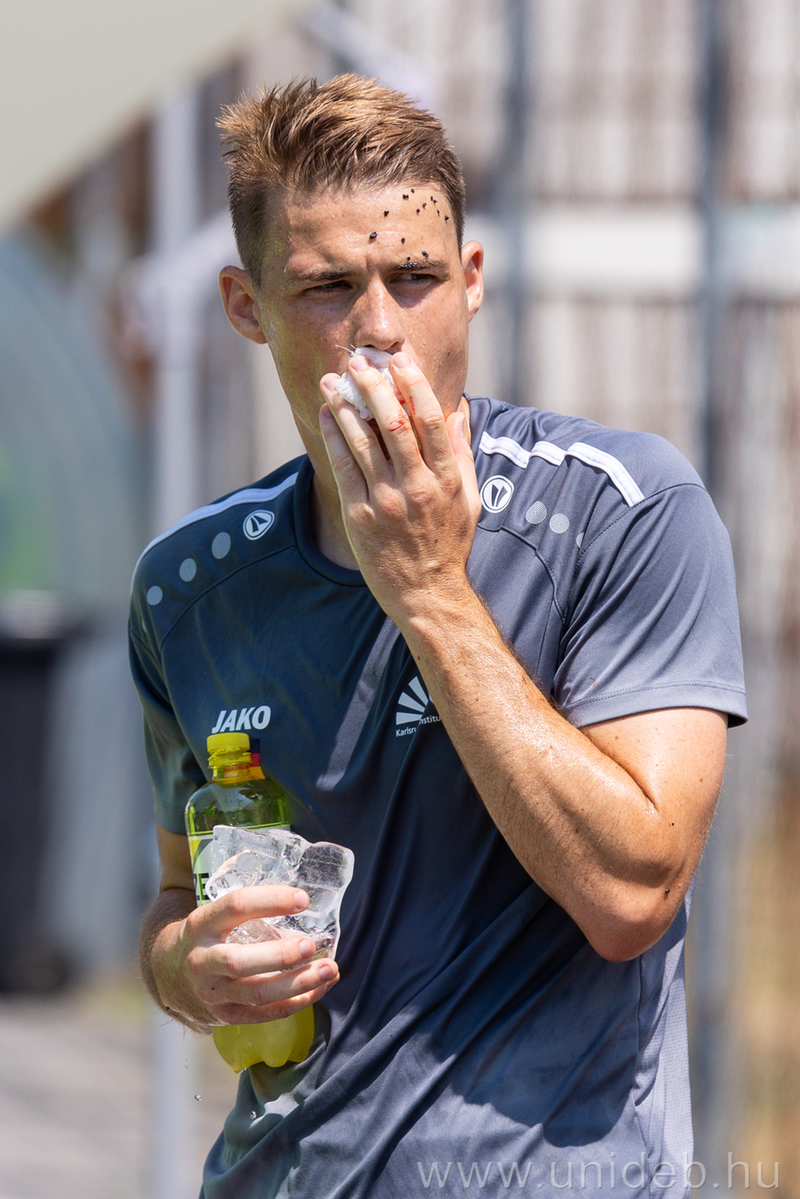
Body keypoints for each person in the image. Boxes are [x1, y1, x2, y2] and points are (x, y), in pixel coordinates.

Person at [130, 75, 747, 1198]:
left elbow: (630, 894)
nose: (379, 328)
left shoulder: (623, 509)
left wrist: (428, 588)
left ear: (469, 282)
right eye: (326, 286)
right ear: (246, 305)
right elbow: (178, 897)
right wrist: (188, 965)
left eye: (412, 277)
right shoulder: (189, 585)